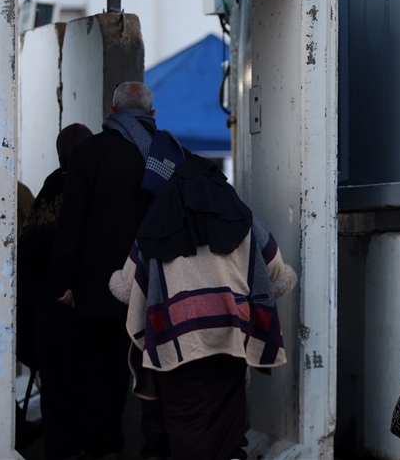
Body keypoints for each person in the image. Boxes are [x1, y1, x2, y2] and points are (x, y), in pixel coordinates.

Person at [109, 149, 297, 460]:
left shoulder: (155, 221)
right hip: (231, 335)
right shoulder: (241, 216)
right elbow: (279, 273)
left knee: (185, 418)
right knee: (228, 412)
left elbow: (126, 289)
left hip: (176, 341)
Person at [51, 81, 167, 460]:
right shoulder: (166, 153)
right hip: (154, 286)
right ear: (152, 116)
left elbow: (72, 223)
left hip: (98, 287)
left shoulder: (88, 153)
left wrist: (64, 281)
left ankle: (105, 451)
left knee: (98, 374)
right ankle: (157, 447)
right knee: (154, 366)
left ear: (111, 112)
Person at [18, 123, 93, 460]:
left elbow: (25, 256)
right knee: (91, 390)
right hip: (87, 311)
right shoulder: (94, 186)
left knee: (57, 395)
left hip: (46, 314)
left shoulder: (48, 190)